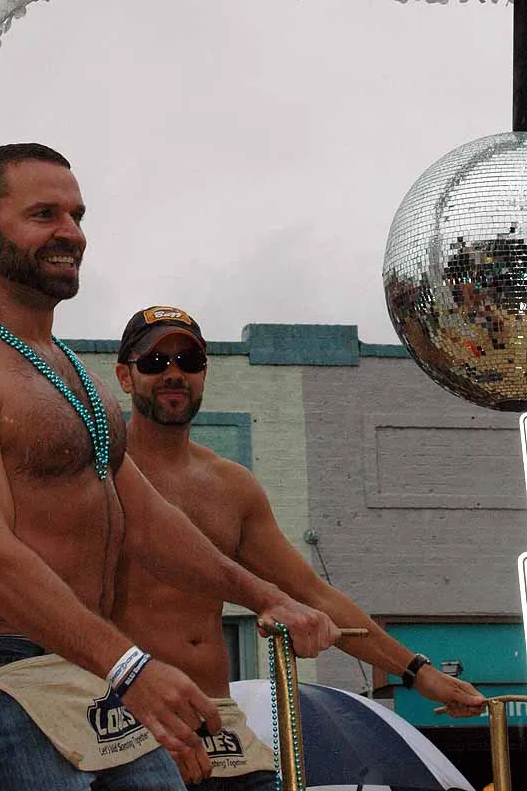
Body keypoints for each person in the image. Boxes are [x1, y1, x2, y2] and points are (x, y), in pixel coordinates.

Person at [0, 144, 344, 791]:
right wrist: (133, 668)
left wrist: (267, 597)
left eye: (76, 215)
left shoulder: (78, 376)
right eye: (44, 214)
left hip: (91, 658)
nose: (70, 233)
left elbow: (149, 522)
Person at [112, 305, 487, 788]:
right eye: (154, 362)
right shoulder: (97, 473)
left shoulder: (231, 486)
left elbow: (313, 593)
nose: (174, 374)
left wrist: (418, 672)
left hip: (213, 715)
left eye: (189, 361)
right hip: (124, 711)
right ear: (125, 377)